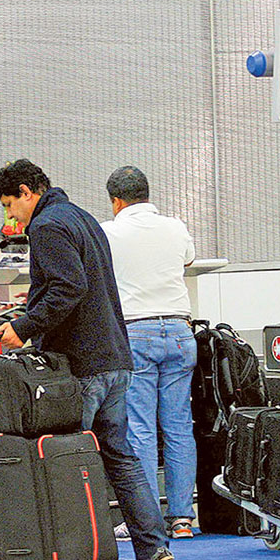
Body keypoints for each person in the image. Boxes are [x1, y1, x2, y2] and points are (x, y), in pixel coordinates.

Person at [0, 159, 174, 560]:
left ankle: (73, 558)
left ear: (26, 191)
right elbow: (80, 286)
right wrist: (31, 310)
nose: (10, 216)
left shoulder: (47, 225)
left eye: (8, 205)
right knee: (120, 457)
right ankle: (151, 547)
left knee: (69, 459)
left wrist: (22, 326)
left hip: (83, 365)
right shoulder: (83, 218)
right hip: (115, 357)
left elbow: (69, 287)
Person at [100, 166, 198, 539]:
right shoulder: (174, 226)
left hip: (136, 332)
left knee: (140, 428)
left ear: (116, 200)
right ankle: (183, 518)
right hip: (178, 331)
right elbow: (187, 260)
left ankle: (145, 520)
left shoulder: (109, 231)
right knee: (178, 427)